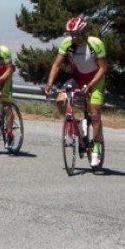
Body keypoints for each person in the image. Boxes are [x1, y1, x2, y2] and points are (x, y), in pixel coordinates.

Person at [42, 15, 108, 168]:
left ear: (84, 31)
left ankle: (96, 147)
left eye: (77, 33)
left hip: (96, 80)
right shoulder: (67, 44)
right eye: (71, 34)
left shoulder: (95, 43)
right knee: (60, 101)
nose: (74, 37)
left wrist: (90, 85)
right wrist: (49, 84)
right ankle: (76, 123)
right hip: (77, 78)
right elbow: (56, 65)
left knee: (95, 114)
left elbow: (103, 68)